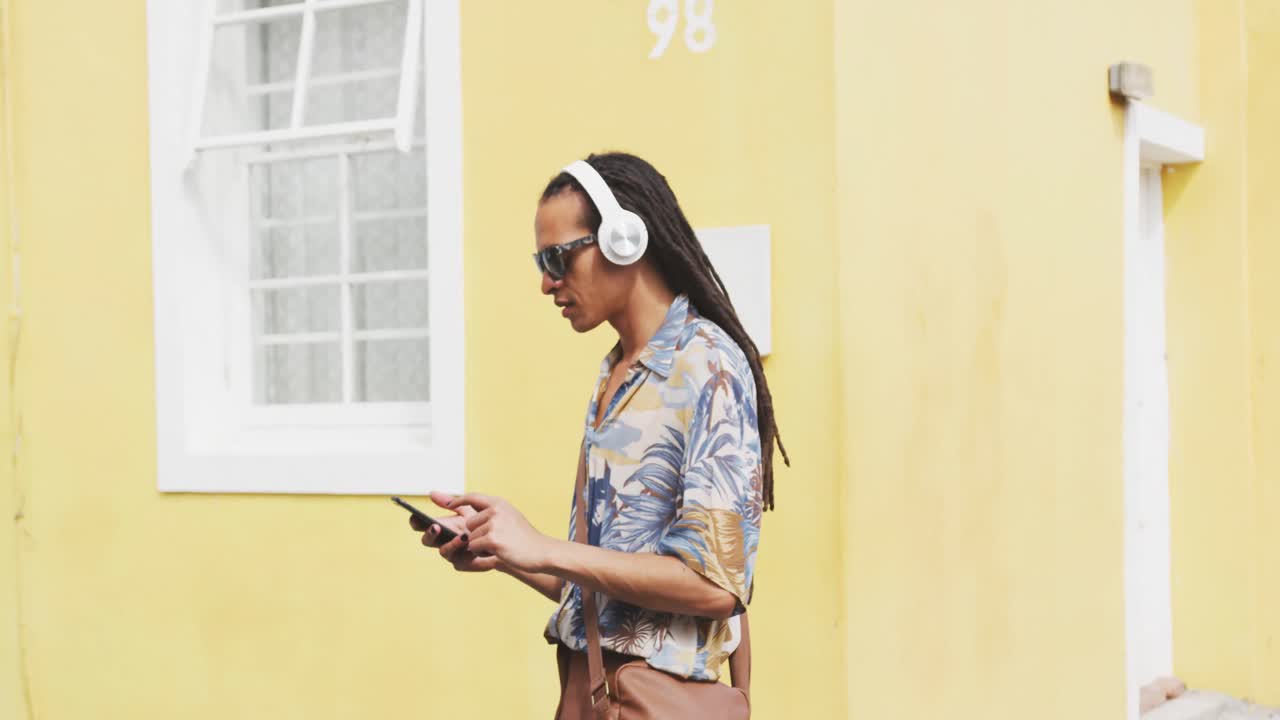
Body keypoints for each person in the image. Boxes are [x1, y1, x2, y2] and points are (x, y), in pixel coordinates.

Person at [409, 152, 788, 718]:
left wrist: (544, 547)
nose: (546, 282)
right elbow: (612, 600)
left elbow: (716, 587)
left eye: (557, 257)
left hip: (654, 704)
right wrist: (505, 547)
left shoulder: (707, 367)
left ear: (624, 240)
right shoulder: (616, 374)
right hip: (590, 697)